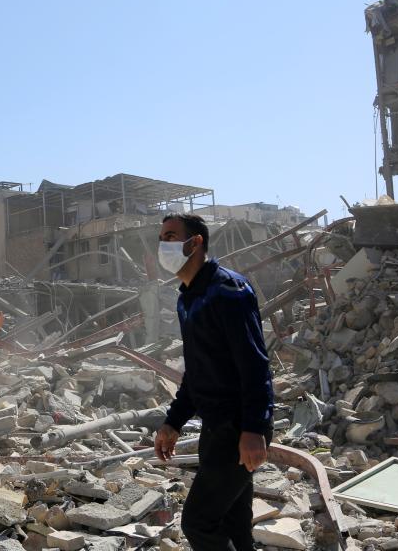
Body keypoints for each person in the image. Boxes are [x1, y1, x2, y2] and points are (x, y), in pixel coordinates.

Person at [153, 213, 274, 551]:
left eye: (172, 236)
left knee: (198, 522)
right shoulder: (187, 298)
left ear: (196, 242)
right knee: (232, 525)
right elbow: (198, 370)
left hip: (238, 428)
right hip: (215, 427)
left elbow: (254, 364)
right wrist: (173, 421)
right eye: (161, 237)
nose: (164, 244)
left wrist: (253, 428)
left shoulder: (227, 291)